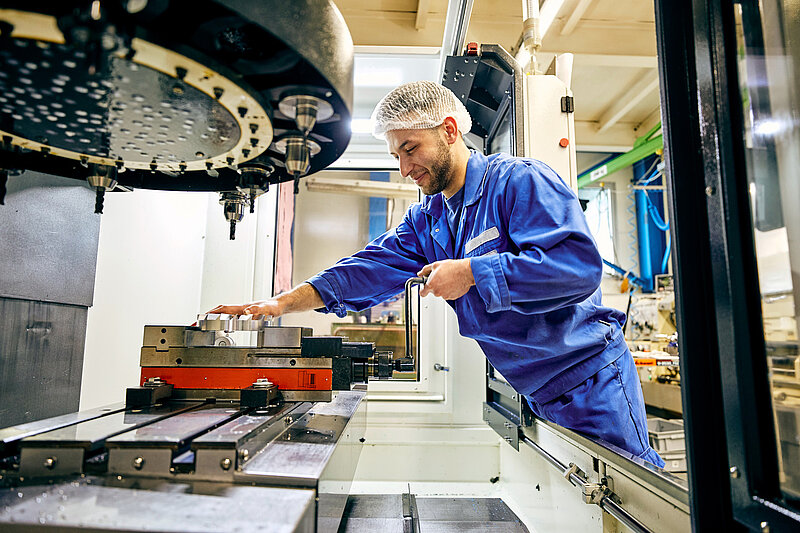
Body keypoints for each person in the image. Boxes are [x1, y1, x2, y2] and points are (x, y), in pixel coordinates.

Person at [211, 81, 665, 467]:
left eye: (411, 148)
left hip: (588, 379)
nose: (405, 168)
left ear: (449, 131)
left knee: (634, 505)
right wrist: (281, 303)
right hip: (536, 391)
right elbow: (367, 269)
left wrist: (471, 272)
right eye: (396, 155)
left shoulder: (517, 181)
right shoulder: (428, 219)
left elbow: (576, 269)